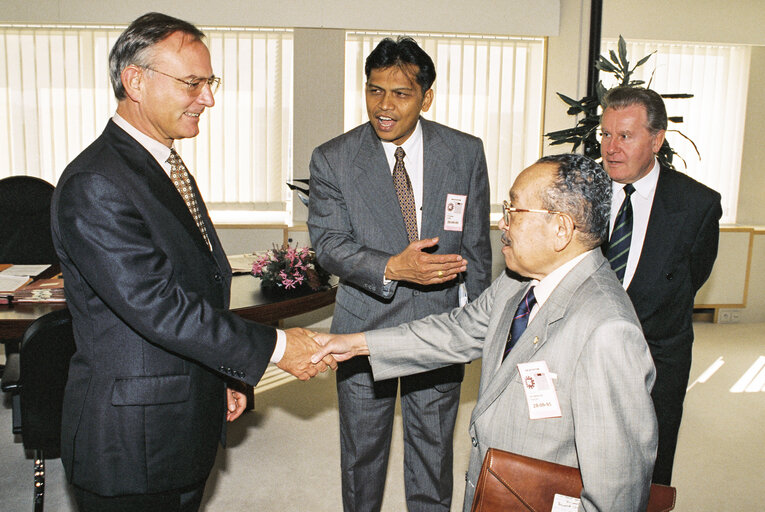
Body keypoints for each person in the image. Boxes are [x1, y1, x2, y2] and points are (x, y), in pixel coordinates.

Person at [51, 12, 334, 512]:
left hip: (179, 420)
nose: (208, 98)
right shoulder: (97, 182)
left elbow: (199, 283)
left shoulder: (162, 163)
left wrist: (221, 373)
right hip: (132, 444)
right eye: (192, 83)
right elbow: (160, 309)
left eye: (209, 82)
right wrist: (277, 345)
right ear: (135, 81)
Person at [312, 153, 658, 512]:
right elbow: (455, 331)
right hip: (495, 490)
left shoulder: (608, 330)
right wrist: (356, 343)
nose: (501, 224)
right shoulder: (517, 282)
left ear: (561, 229)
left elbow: (618, 492)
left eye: (514, 212)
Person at [307, 37, 492, 511]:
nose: (384, 106)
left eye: (400, 94)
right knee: (362, 455)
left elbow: (475, 244)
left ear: (426, 97)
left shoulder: (465, 152)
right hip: (363, 326)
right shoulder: (333, 158)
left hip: (437, 327)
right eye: (374, 91)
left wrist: (482, 325)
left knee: (432, 453)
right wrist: (393, 267)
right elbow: (328, 245)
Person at [599, 86, 722, 485]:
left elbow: (692, 276)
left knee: (649, 463)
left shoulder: (696, 204)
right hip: (584, 345)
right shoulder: (579, 190)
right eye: (605, 134)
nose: (611, 148)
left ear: (656, 139)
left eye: (625, 136)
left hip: (658, 353)